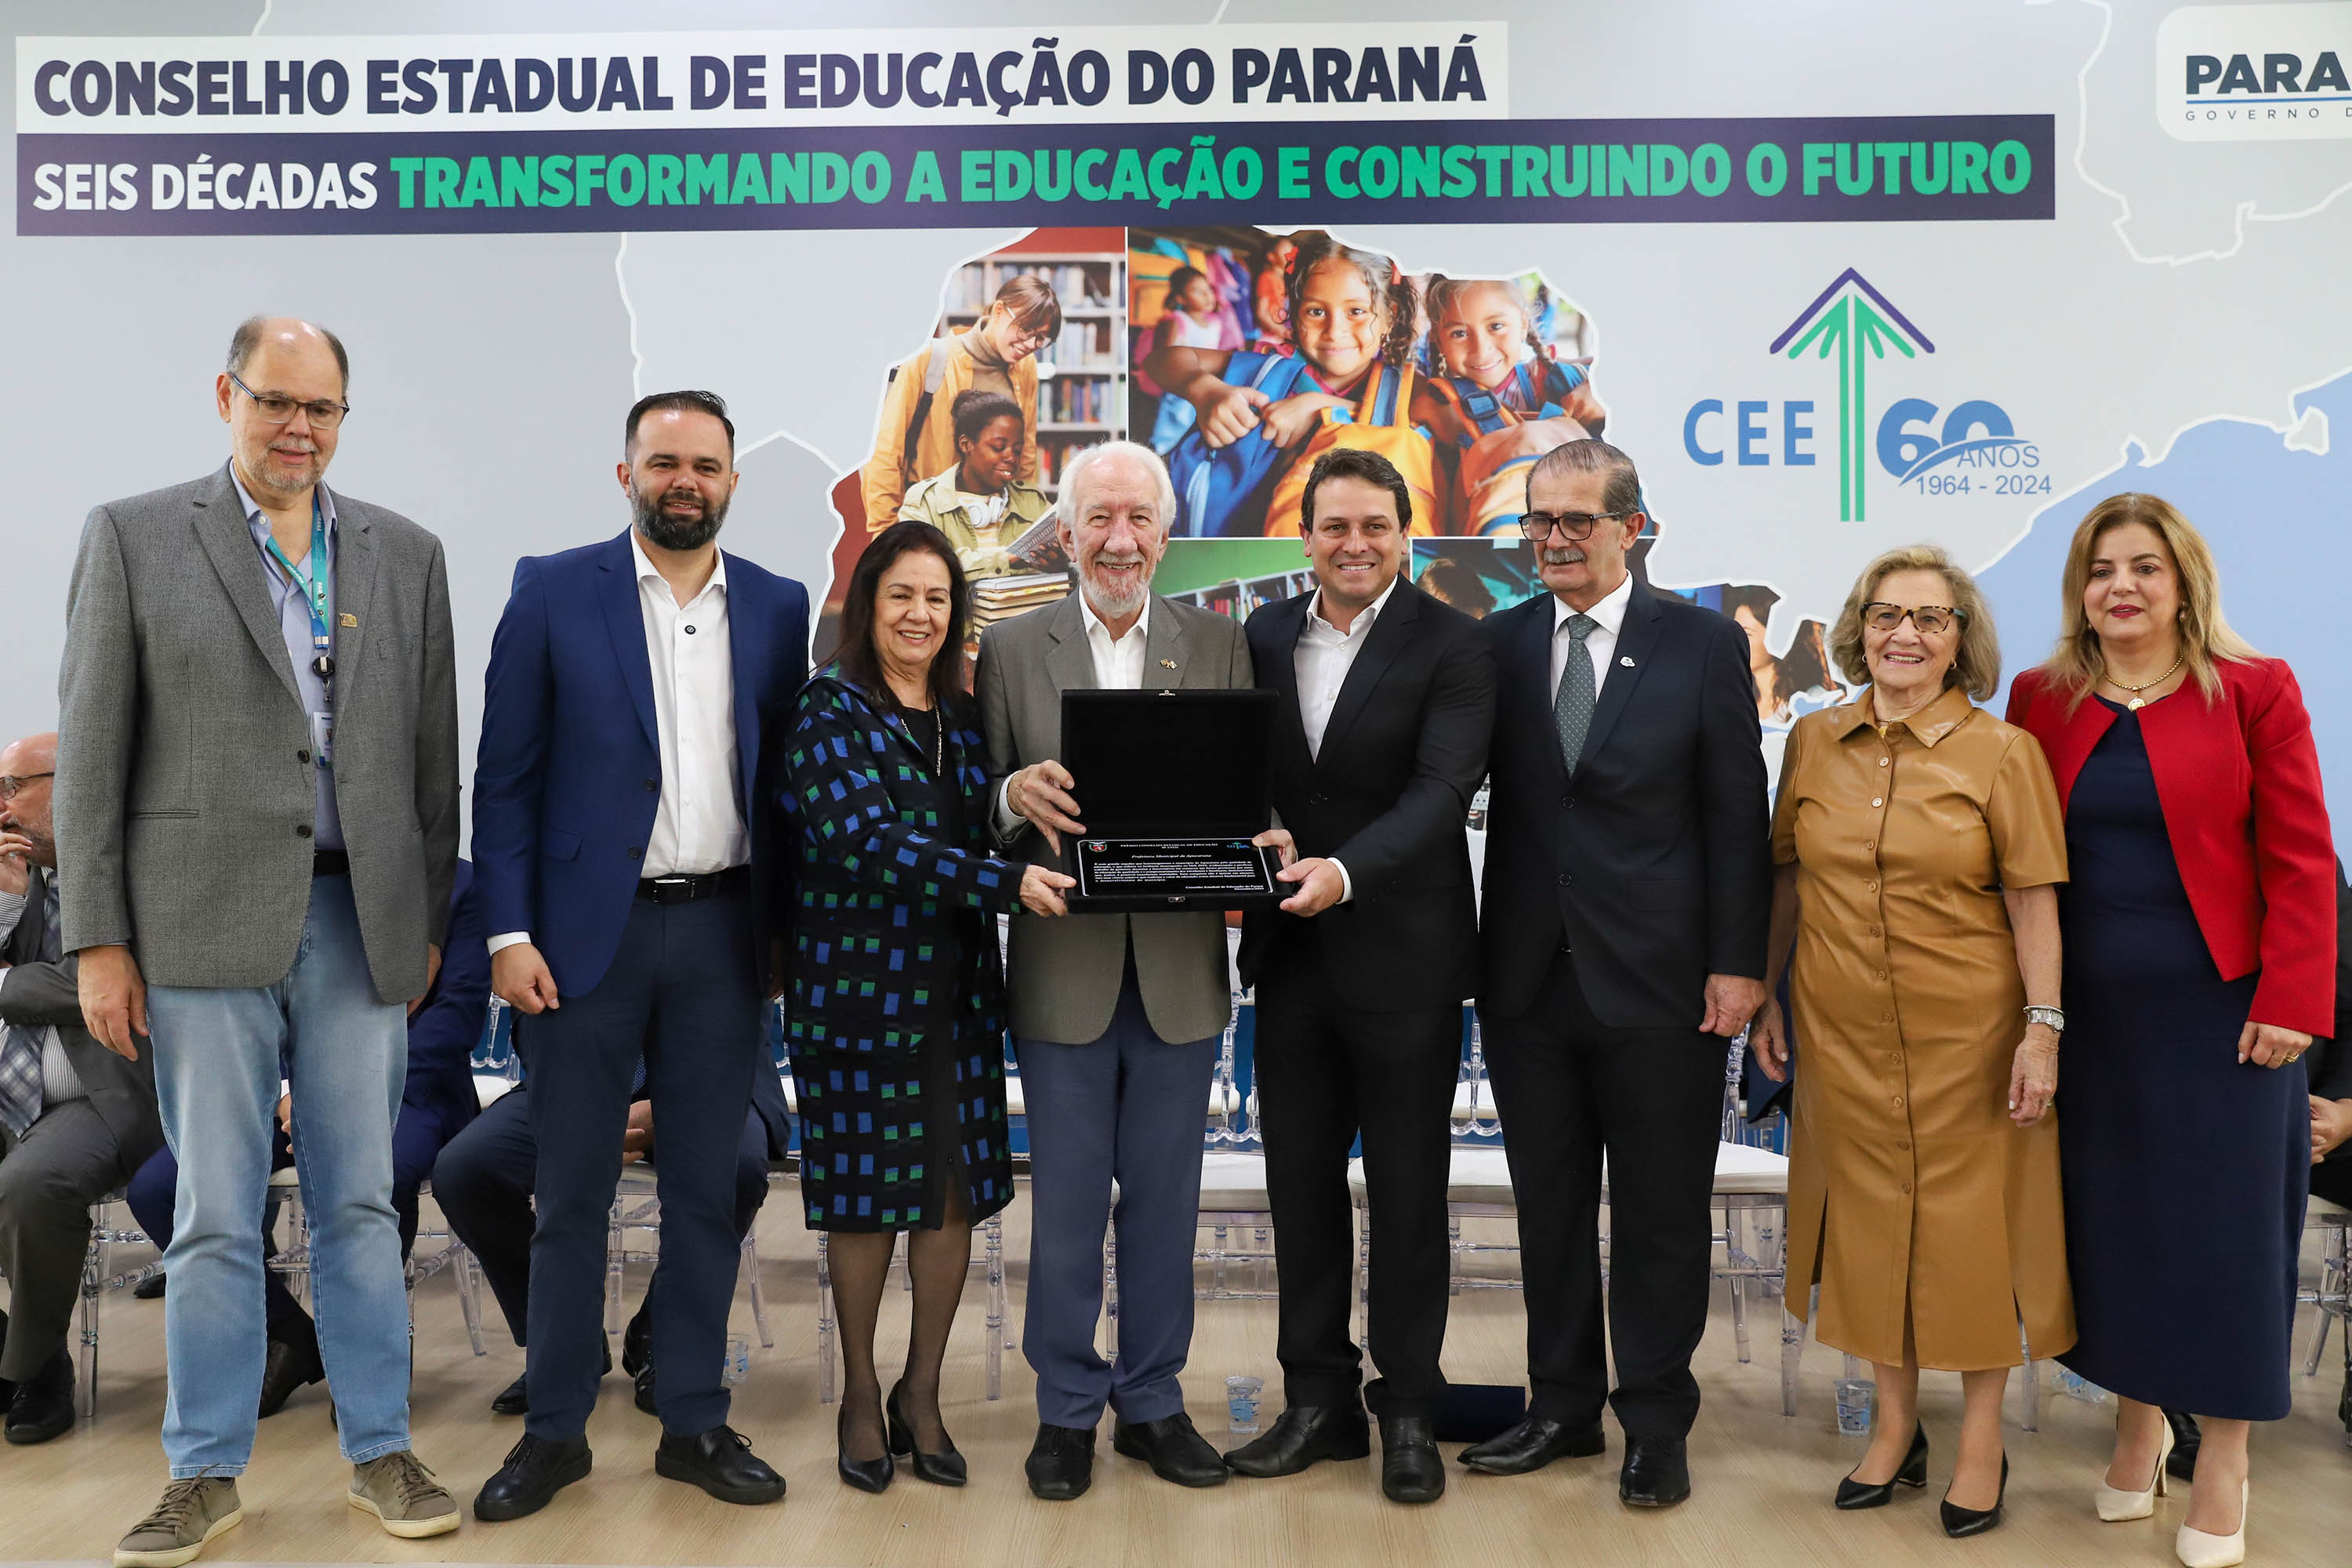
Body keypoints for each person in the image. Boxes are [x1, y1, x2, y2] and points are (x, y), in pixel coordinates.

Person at [56, 316, 463, 1562]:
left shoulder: (405, 553)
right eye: (276, 401)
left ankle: (380, 1450)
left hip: (358, 919)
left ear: (345, 417)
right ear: (225, 396)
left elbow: (433, 763)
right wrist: (98, 939)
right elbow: (90, 753)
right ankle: (204, 1471)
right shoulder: (134, 537)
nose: (299, 428)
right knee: (215, 1216)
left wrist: (424, 920)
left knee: (360, 1205)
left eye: (321, 408)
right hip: (198, 923)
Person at [468, 390, 808, 1522]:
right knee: (570, 1195)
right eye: (664, 462)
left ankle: (695, 1421)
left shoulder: (777, 605)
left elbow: (783, 786)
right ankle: (555, 1431)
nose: (685, 482)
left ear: (731, 481)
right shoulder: (553, 590)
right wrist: (507, 933)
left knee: (706, 1194)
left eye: (705, 465)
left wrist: (782, 933)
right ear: (626, 475)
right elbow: (505, 779)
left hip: (724, 933)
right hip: (580, 943)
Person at [2006, 493, 2332, 1568]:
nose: (2123, 587)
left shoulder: (2255, 687)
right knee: (2118, 1232)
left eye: (2145, 566)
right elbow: (2020, 862)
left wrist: (2292, 998)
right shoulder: (2041, 698)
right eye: (2102, 569)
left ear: (2184, 580)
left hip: (2228, 1020)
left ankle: (2224, 1457)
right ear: (2080, 590)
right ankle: (2137, 1430)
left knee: (2227, 1241)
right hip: (2093, 1021)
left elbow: (2301, 854)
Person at [1468, 439, 1770, 1508]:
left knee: (1659, 1214)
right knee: (1548, 1210)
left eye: (1576, 521)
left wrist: (1740, 964)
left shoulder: (1701, 643)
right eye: (1538, 521)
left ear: (1631, 528)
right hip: (1526, 983)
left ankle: (1654, 1421)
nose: (1553, 540)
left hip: (1663, 985)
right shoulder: (1498, 644)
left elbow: (1737, 815)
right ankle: (1560, 1408)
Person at [1751, 546, 2072, 1537]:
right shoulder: (1813, 740)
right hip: (1839, 1031)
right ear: (1859, 630)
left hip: (1969, 1038)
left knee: (1973, 1238)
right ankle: (1894, 1427)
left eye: (1931, 619)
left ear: (1960, 641)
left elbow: (2033, 900)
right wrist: (1768, 996)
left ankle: (1981, 1440)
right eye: (1887, 614)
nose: (1905, 634)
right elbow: (1789, 877)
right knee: (1865, 1231)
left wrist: (2043, 1028)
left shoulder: (2004, 752)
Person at [973, 441, 1254, 1501]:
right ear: (1066, 532)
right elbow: (980, 813)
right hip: (1064, 972)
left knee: (1168, 1207)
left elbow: (1246, 796)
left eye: (1139, 520)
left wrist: (1260, 836)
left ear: (1166, 535)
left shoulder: (1219, 644)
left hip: (1180, 974)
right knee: (1068, 1210)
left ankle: (1152, 1402)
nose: (1120, 541)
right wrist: (1011, 795)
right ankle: (1064, 1411)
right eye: (1099, 519)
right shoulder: (1012, 650)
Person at [1224, 449, 1496, 1504]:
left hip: (1407, 961)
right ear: (1305, 538)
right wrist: (1256, 827)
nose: (1354, 545)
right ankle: (1317, 1404)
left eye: (1374, 526)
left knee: (1409, 1197)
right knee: (1299, 1191)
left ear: (1404, 536)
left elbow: (1442, 791)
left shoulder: (1455, 644)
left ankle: (1410, 1411)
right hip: (1291, 961)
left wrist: (1342, 871)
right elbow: (1240, 772)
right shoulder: (1259, 634)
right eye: (1334, 527)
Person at [782, 521, 1075, 1493]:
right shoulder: (828, 707)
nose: (919, 614)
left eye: (938, 598)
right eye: (901, 594)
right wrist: (1006, 882)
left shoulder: (958, 711)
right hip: (857, 1002)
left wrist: (1017, 801)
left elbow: (981, 812)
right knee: (867, 1206)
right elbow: (867, 841)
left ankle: (922, 1390)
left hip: (955, 999)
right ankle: (862, 1394)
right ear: (869, 603)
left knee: (949, 1199)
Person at [123, 859, 489, 1419]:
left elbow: (458, 1018)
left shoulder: (457, 885)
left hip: (411, 1088)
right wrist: (285, 1090)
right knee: (159, 1188)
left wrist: (342, 1092)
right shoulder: (277, 872)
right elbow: (248, 1009)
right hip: (278, 1094)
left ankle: (366, 1362)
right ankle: (290, 1334)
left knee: (379, 1174)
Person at [429, 1027, 792, 1418]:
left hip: (715, 1085)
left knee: (736, 1170)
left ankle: (662, 1338)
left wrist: (668, 1103)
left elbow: (740, 1009)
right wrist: (591, 1101)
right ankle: (566, 1338)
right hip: (575, 1079)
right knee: (467, 1170)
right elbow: (532, 1019)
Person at [0, 733, 166, 1444]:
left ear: (73, 785)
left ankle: (38, 1371)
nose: (1, 805)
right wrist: (5, 905)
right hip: (10, 1085)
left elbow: (108, 986)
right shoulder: (15, 874)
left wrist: (8, 984)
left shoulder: (144, 867)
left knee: (31, 1184)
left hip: (99, 1092)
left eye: (13, 787)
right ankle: (9, 1347)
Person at [1151, 234, 1436, 537]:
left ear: (1390, 315)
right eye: (1316, 311)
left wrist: (1318, 407)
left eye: (1356, 311)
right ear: (1295, 313)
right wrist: (1204, 390)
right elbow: (1161, 360)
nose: (1334, 331)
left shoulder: (1407, 389)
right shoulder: (1270, 368)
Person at [862, 274, 1061, 528]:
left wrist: (1025, 521)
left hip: (995, 520)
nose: (1031, 344)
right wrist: (885, 530)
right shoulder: (929, 359)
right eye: (1026, 330)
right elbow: (886, 451)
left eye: (1042, 338)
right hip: (931, 521)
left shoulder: (1026, 367)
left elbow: (1026, 454)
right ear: (999, 310)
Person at [1414, 275, 1605, 538]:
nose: (1481, 349)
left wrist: (1601, 388)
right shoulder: (1437, 404)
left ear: (1523, 324)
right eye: (1459, 333)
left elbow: (1641, 371)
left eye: (1496, 326)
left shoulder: (1556, 379)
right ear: (1438, 339)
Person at [895, 391, 1054, 582]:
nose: (1011, 457)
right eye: (998, 447)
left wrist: (1060, 561)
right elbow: (921, 566)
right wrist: (1007, 559)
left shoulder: (1032, 500)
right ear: (966, 445)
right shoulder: (925, 502)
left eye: (1017, 450)